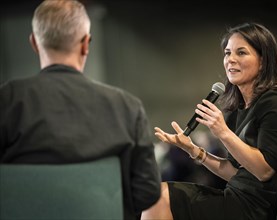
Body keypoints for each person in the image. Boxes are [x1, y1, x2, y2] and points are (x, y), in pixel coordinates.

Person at [0, 0, 160, 219]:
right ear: (86, 43)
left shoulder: (7, 100)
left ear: (35, 43)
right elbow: (148, 192)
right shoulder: (127, 107)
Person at [141, 22, 277, 220]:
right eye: (227, 53)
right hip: (234, 197)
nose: (230, 60)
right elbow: (235, 173)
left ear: (263, 61)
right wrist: (194, 150)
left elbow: (264, 171)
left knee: (160, 197)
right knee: (156, 195)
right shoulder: (238, 108)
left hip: (256, 210)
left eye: (241, 53)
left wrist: (222, 132)